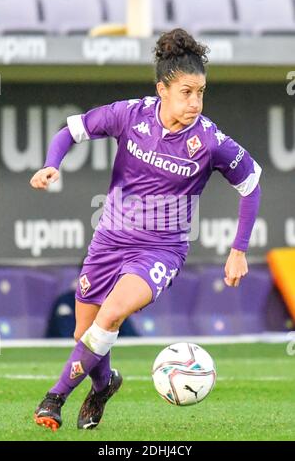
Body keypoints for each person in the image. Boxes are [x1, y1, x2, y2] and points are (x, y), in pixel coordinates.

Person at [30, 28, 261, 431]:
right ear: (162, 89)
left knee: (113, 314)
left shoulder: (209, 141)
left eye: (201, 92)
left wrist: (238, 249)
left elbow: (252, 184)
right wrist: (53, 163)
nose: (195, 102)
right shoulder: (130, 115)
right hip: (109, 240)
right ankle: (104, 385)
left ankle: (54, 399)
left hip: (161, 249)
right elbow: (71, 130)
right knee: (85, 333)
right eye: (186, 92)